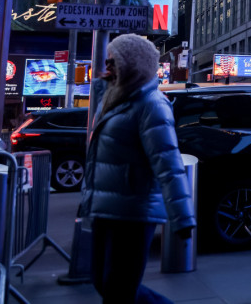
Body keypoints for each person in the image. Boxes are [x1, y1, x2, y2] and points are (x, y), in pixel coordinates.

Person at [80, 34, 196, 304]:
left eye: (114, 61)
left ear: (131, 64)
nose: (107, 66)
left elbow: (169, 164)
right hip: (105, 209)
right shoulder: (113, 99)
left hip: (133, 212)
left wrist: (183, 219)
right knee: (103, 283)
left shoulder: (151, 104)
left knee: (119, 290)